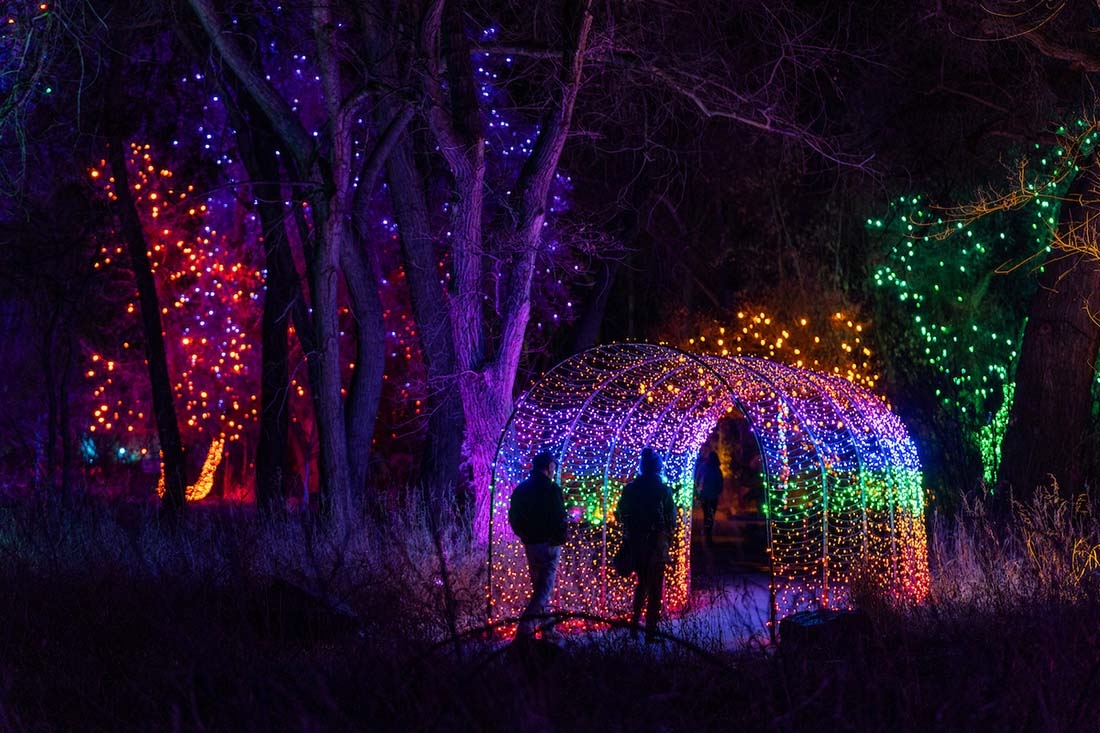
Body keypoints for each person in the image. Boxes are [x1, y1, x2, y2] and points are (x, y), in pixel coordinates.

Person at [616, 447, 676, 643]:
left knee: (642, 584)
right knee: (656, 588)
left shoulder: (631, 489)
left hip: (636, 543)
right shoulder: (662, 490)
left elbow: (620, 513)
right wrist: (667, 533)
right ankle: (651, 632)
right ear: (657, 468)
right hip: (657, 545)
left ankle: (634, 626)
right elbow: (671, 519)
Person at [508, 450, 567, 642]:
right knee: (545, 587)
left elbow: (514, 517)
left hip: (531, 544)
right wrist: (559, 537)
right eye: (553, 467)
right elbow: (560, 517)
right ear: (549, 467)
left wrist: (524, 535)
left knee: (540, 586)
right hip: (549, 543)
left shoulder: (522, 489)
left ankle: (547, 629)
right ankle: (525, 627)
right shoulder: (552, 489)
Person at [699, 451, 724, 545]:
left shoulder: (704, 467)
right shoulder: (717, 469)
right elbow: (720, 482)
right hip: (713, 495)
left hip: (705, 494)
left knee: (706, 513)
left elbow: (698, 479)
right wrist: (719, 491)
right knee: (711, 514)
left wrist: (699, 490)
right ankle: (708, 532)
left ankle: (707, 531)